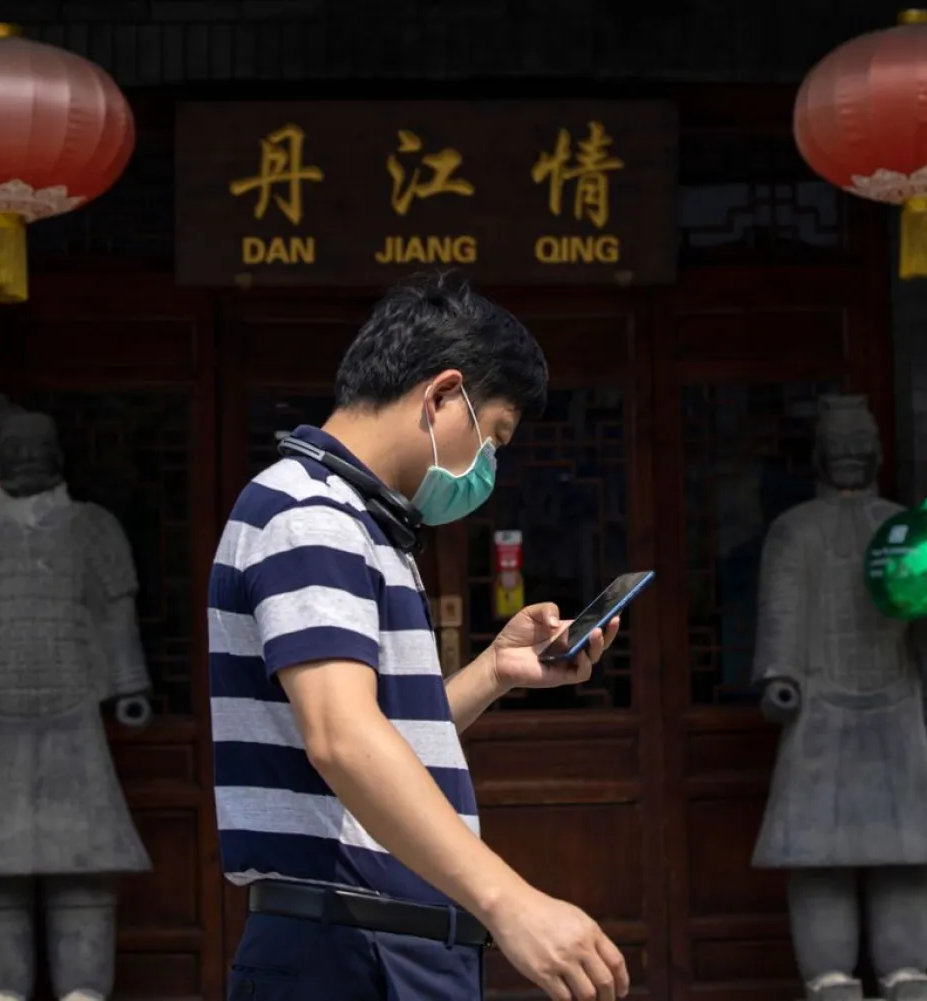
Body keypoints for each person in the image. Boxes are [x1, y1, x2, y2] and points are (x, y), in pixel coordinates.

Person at [210, 272, 630, 1001]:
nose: (488, 465)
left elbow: (374, 729)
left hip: (380, 938)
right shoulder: (310, 513)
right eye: (494, 435)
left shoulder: (361, 522)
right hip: (347, 944)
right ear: (441, 395)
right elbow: (341, 737)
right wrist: (510, 899)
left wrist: (494, 672)